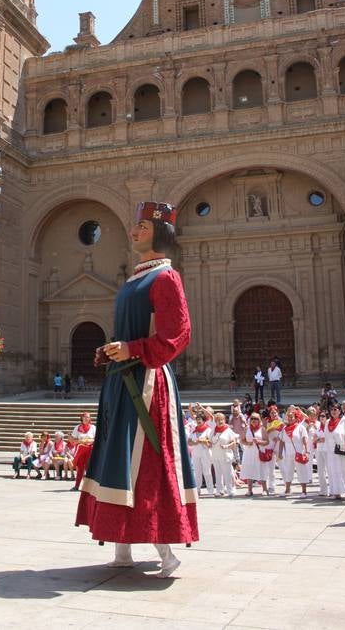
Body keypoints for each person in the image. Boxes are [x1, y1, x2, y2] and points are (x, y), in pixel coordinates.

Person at [76, 201, 198, 578]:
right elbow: (128, 333)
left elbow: (178, 336)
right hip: (120, 381)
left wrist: (134, 350)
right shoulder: (134, 280)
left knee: (147, 462)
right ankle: (122, 547)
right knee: (117, 459)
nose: (134, 232)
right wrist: (111, 350)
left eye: (142, 227)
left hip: (147, 384)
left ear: (160, 233)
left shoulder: (166, 278)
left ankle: (166, 552)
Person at [277, 405, 311, 497]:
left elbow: (305, 440)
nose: (290, 418)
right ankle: (287, 490)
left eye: (292, 417)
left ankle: (304, 491)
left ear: (296, 418)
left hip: (298, 452)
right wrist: (280, 453)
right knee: (288, 471)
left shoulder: (300, 427)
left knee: (301, 471)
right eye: (288, 417)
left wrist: (307, 452)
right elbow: (281, 441)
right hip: (288, 453)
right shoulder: (284, 429)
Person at [240, 413, 269, 496]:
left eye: (256, 418)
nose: (253, 420)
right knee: (249, 469)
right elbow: (242, 440)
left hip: (259, 452)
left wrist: (259, 442)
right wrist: (247, 443)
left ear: (259, 420)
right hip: (249, 452)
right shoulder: (247, 429)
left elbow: (267, 441)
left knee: (262, 470)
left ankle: (264, 489)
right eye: (252, 418)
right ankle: (249, 490)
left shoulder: (262, 429)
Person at [210, 412, 237, 497]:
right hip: (215, 454)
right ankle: (219, 490)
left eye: (221, 419)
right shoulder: (213, 430)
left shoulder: (228, 430)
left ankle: (230, 490)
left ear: (224, 420)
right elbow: (210, 441)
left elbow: (234, 442)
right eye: (218, 420)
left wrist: (227, 446)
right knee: (218, 473)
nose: (220, 421)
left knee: (227, 473)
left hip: (225, 454)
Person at [188, 409, 214, 496]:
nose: (198, 421)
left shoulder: (208, 430)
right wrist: (195, 442)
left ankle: (210, 490)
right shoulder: (194, 430)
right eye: (197, 419)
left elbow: (211, 443)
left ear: (204, 420)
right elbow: (189, 441)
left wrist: (203, 441)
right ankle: (197, 490)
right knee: (197, 472)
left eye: (200, 419)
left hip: (205, 452)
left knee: (207, 471)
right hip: (196, 452)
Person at [70, 411, 96, 491]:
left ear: (89, 419)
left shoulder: (93, 427)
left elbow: (96, 439)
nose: (86, 418)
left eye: (87, 417)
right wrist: (80, 441)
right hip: (81, 449)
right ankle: (77, 486)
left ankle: (90, 487)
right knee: (80, 468)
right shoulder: (77, 427)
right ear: (81, 418)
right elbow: (72, 440)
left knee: (90, 468)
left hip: (90, 450)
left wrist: (89, 441)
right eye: (84, 417)